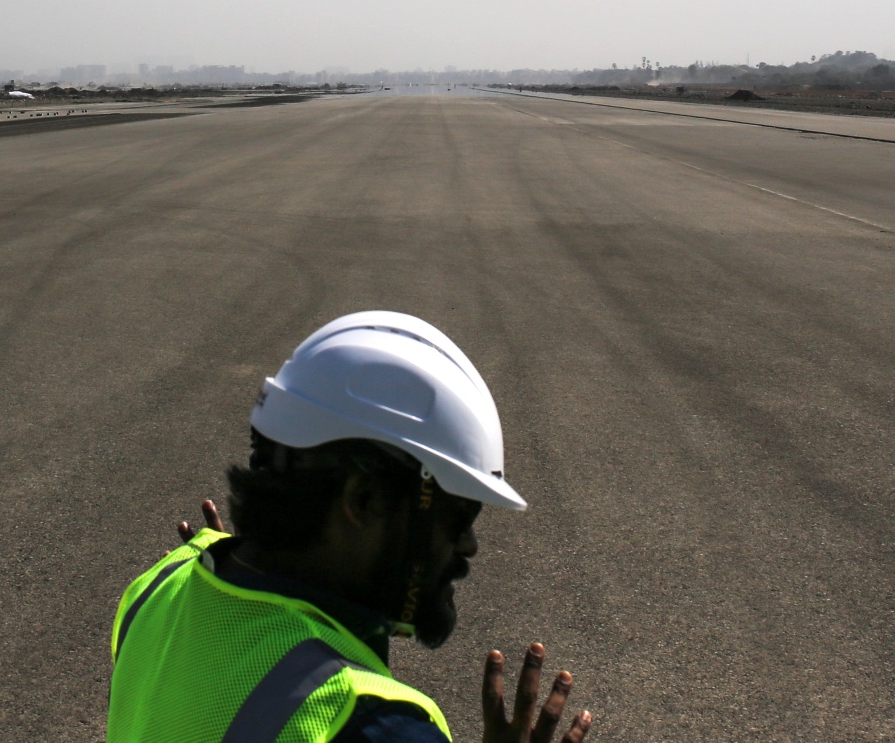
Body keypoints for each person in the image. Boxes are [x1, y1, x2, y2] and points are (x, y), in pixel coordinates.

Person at [107, 312, 593, 742]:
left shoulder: (159, 587)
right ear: (363, 501)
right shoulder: (374, 723)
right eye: (459, 516)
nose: (469, 545)